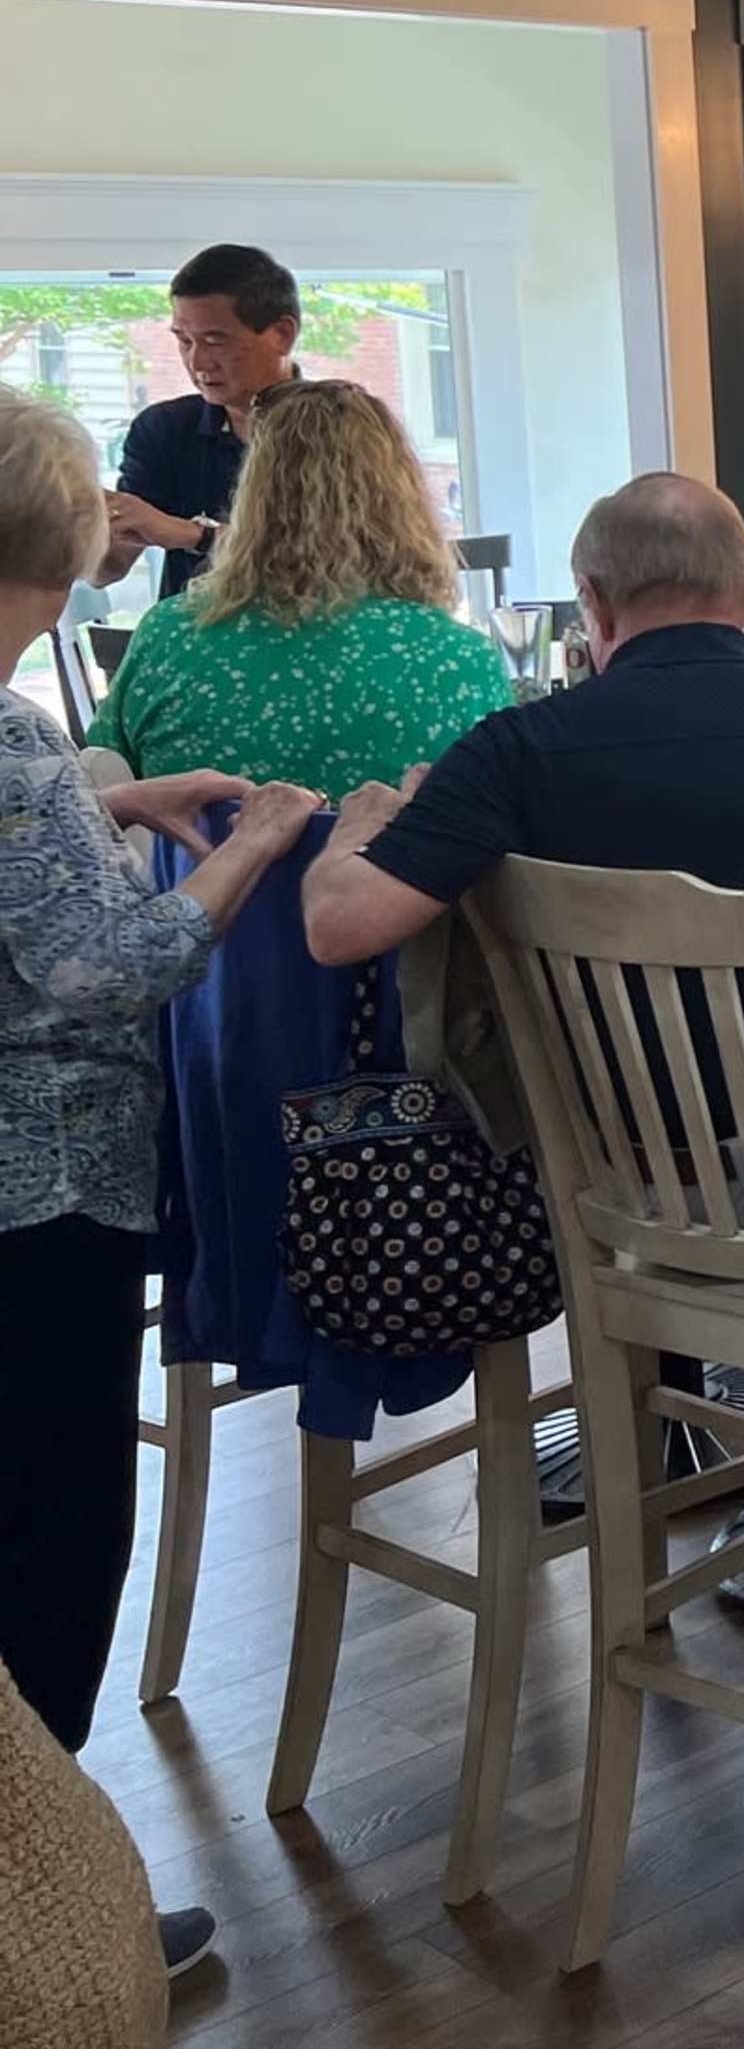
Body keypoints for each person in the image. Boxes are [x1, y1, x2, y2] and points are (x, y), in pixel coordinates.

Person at [0, 386, 321, 1986]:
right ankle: (42, 1911)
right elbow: (96, 966)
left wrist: (102, 804)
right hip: (40, 1193)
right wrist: (248, 846)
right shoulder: (4, 729)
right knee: (52, 1544)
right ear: (62, 545)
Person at [302, 472, 744, 967]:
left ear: (596, 604)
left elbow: (337, 929)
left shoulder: (514, 752)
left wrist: (357, 827)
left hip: (608, 1124)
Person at [86, 380, 509, 795]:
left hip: (206, 865)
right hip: (385, 863)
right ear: (403, 499)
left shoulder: (168, 637)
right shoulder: (462, 661)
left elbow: (99, 777)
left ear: (252, 496)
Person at [101, 244, 307, 598]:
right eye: (184, 341)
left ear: (282, 335)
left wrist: (192, 534)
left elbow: (346, 561)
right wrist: (75, 523)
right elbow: (105, 569)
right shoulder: (163, 430)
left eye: (215, 341)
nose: (197, 362)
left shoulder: (345, 429)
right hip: (192, 643)